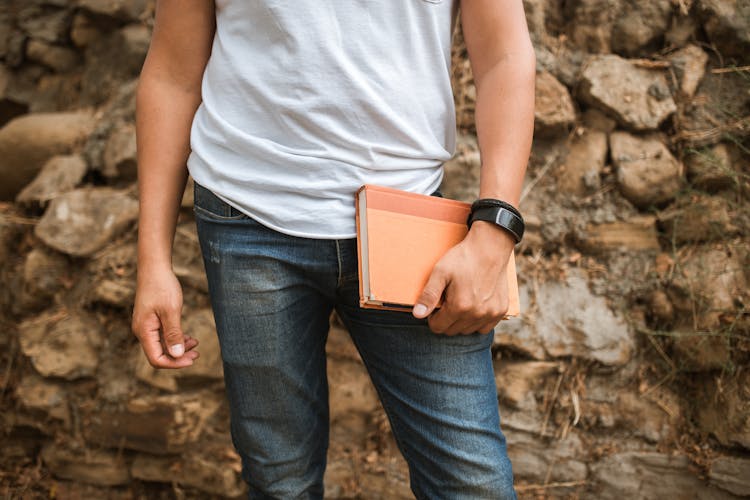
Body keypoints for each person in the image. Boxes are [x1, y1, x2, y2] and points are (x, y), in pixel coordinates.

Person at [131, 0, 535, 498]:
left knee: (473, 484)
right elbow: (171, 74)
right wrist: (152, 262)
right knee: (280, 481)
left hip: (408, 225)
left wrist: (495, 229)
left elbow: (505, 57)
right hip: (246, 221)